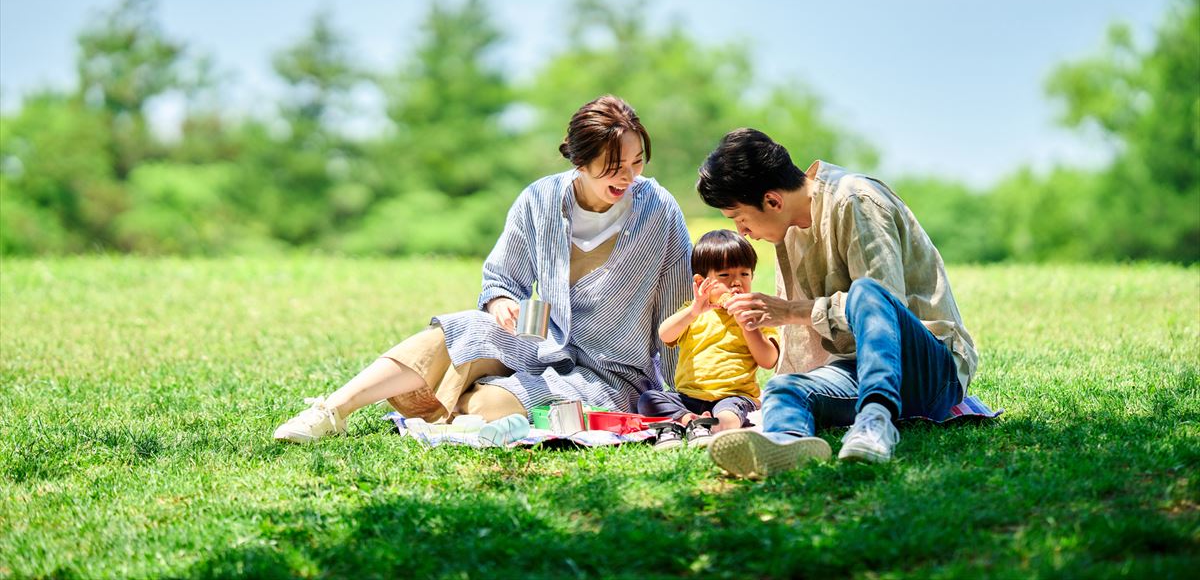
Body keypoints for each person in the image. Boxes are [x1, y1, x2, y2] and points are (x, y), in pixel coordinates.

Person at [273, 96, 693, 443]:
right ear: (580, 160)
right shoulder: (540, 199)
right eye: (614, 165)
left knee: (490, 407)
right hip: (539, 333)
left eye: (637, 162)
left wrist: (683, 396)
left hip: (610, 369)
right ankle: (332, 411)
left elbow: (681, 306)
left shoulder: (659, 211)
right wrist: (501, 303)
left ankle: (451, 395)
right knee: (460, 329)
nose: (629, 175)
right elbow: (500, 279)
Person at [695, 128, 978, 478]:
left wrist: (790, 312)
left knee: (867, 292)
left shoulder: (856, 199)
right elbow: (804, 348)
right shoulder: (788, 230)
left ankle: (876, 421)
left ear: (772, 201)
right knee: (784, 387)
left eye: (739, 218)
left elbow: (884, 305)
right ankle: (785, 444)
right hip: (854, 368)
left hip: (927, 370)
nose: (742, 232)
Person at [637, 230, 779, 450]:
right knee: (648, 400)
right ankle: (692, 421)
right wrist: (693, 311)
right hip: (688, 397)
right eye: (725, 276)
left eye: (744, 274)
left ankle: (709, 426)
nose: (736, 284)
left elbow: (768, 360)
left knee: (729, 416)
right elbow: (665, 334)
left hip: (733, 396)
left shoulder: (756, 315)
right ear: (701, 282)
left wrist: (747, 325)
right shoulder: (694, 313)